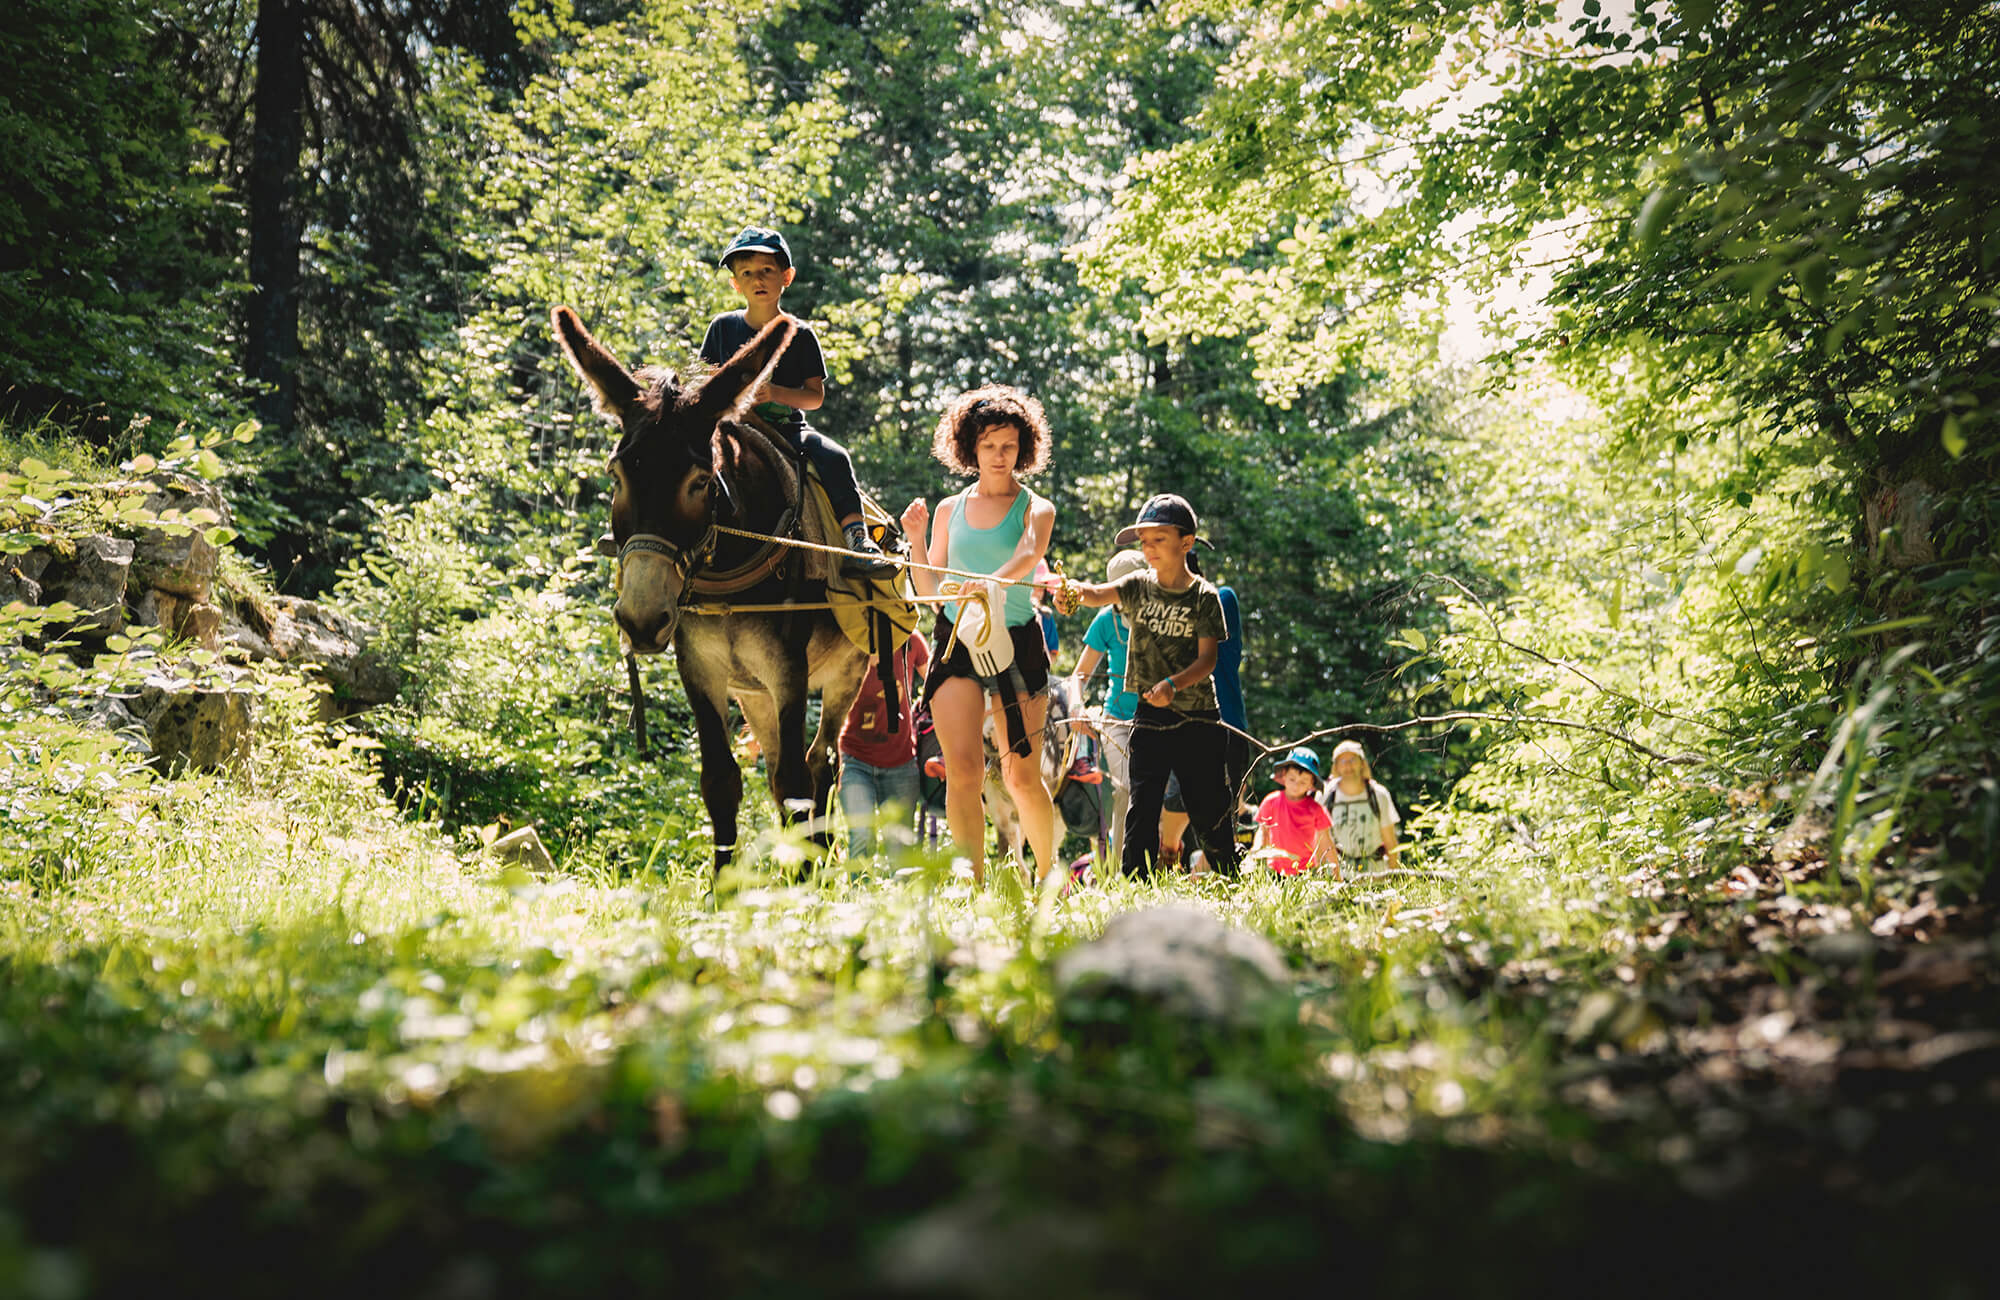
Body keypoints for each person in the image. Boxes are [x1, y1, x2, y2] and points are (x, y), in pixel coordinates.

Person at [900, 387, 1060, 885]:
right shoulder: (949, 508)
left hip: (1015, 640)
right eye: (989, 445)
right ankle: (973, 884)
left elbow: (1030, 555)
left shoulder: (1037, 507)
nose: (999, 456)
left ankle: (1050, 878)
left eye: (1009, 446)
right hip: (956, 641)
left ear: (1023, 449)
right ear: (971, 447)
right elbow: (929, 589)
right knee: (963, 772)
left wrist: (991, 582)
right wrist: (916, 541)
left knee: (1021, 777)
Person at [1058, 493, 1238, 878]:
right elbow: (1096, 595)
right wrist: (1071, 590)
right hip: (1149, 716)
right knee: (1143, 799)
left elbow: (1208, 659)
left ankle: (1227, 875)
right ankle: (1135, 881)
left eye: (1158, 538)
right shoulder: (1138, 586)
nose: (1149, 548)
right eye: (1144, 541)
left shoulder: (1205, 597)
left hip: (1198, 717)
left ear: (1186, 543)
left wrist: (1174, 684)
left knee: (1207, 802)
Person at [701, 225, 894, 576]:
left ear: (786, 277)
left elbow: (815, 396)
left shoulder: (801, 334)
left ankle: (856, 537)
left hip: (787, 431)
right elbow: (702, 381)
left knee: (834, 456)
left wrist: (774, 394)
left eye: (767, 271)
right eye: (746, 273)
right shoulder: (722, 329)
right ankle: (649, 529)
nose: (757, 279)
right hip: (729, 430)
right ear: (735, 283)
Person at [1159, 577, 1246, 870]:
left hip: (1226, 724)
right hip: (1185, 725)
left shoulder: (1222, 599)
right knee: (1178, 800)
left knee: (1221, 815)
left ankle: (1205, 878)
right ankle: (1169, 854)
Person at [1067, 549, 1147, 859]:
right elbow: (1079, 677)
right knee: (1126, 789)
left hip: (1160, 718)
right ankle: (1119, 870)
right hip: (1117, 720)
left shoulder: (1160, 614)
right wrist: (1077, 708)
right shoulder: (1107, 621)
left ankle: (1160, 864)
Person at [837, 630, 930, 866]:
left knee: (900, 852)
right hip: (856, 760)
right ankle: (860, 900)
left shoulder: (910, 640)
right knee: (861, 837)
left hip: (901, 762)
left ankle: (898, 901)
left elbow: (935, 681)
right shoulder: (851, 638)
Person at [1251, 746, 1338, 876]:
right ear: (1284, 776)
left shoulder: (1316, 810)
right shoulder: (1271, 802)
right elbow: (1263, 831)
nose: (1296, 786)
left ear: (1311, 784)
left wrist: (1337, 875)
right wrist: (1255, 852)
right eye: (1292, 779)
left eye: (1303, 782)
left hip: (1306, 871)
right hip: (1275, 871)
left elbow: (1326, 841)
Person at [1320, 739, 1402, 870]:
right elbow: (1321, 840)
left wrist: (1395, 876)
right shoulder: (1326, 796)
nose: (1348, 766)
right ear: (1335, 767)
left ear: (1362, 763)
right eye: (1342, 761)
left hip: (1377, 872)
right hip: (1340, 873)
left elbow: (1390, 841)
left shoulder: (1379, 795)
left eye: (1353, 760)